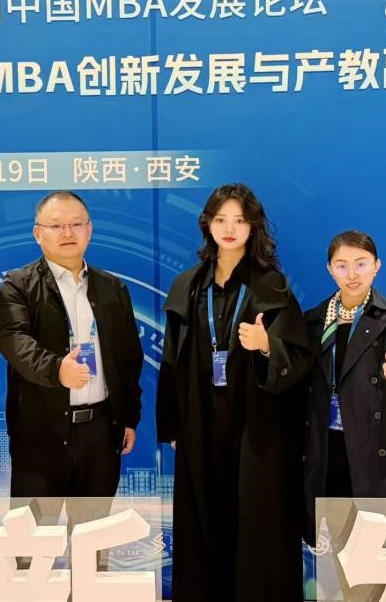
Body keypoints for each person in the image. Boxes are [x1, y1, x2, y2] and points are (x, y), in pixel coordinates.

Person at [156, 183, 312, 602]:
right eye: (221, 219)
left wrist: (267, 346)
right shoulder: (188, 285)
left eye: (239, 221)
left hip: (255, 424)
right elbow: (171, 360)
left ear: (252, 227)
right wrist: (172, 424)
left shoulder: (271, 285)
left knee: (256, 521)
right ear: (207, 224)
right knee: (203, 519)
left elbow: (299, 357)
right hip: (201, 421)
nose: (229, 228)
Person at [0, 190, 143, 527]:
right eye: (56, 225)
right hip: (41, 434)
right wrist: (57, 369)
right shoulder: (18, 286)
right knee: (31, 541)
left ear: (89, 229)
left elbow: (129, 357)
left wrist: (129, 417)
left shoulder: (113, 288)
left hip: (100, 432)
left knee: (93, 537)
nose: (67, 233)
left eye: (76, 224)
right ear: (38, 233)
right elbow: (13, 340)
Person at [302, 230, 386, 597]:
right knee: (347, 557)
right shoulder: (313, 322)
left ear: (376, 266)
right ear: (330, 269)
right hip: (332, 452)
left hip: (381, 450)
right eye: (342, 265)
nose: (352, 274)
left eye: (361, 264)